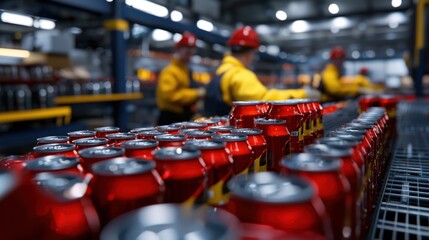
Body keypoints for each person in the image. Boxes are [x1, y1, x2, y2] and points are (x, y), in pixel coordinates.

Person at [204, 26, 320, 117]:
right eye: (254, 53)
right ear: (250, 53)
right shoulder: (240, 74)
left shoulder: (221, 70)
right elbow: (263, 100)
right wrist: (303, 94)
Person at [156, 31, 206, 125]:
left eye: (192, 51)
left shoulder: (186, 71)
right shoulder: (170, 71)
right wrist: (196, 94)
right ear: (177, 50)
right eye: (187, 51)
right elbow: (169, 95)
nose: (189, 54)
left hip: (182, 116)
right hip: (170, 118)